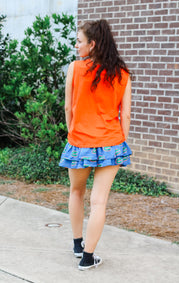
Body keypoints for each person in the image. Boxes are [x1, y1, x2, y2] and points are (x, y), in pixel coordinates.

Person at [59, 19, 132, 271]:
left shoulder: (75, 69)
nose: (76, 45)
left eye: (79, 41)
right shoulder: (122, 73)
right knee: (99, 202)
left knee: (76, 192)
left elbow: (68, 107)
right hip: (112, 142)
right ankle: (87, 258)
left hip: (79, 142)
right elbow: (127, 115)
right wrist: (120, 144)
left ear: (93, 44)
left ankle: (78, 245)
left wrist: (72, 132)